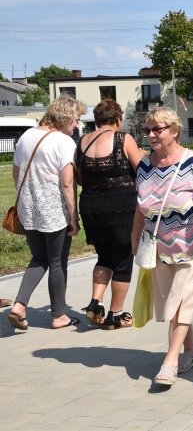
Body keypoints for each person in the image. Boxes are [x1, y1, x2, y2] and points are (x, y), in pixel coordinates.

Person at [131, 106, 193, 386]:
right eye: (148, 130)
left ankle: (170, 361)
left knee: (182, 299)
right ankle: (192, 352)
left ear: (175, 131)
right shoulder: (144, 165)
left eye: (157, 129)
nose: (151, 134)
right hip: (160, 247)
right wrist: (134, 237)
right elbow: (140, 207)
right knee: (171, 301)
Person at [7, 95, 86, 331]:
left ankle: (19, 305)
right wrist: (73, 215)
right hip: (54, 209)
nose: (77, 125)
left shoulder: (26, 137)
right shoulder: (63, 142)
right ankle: (59, 315)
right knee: (57, 262)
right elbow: (66, 182)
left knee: (38, 258)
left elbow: (15, 173)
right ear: (65, 117)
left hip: (28, 207)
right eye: (76, 120)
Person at [77, 99, 143, 329]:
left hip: (91, 206)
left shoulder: (83, 142)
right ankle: (116, 314)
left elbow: (79, 178)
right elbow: (140, 168)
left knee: (104, 256)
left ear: (96, 120)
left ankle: (96, 303)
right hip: (120, 206)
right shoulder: (123, 138)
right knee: (124, 260)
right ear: (118, 119)